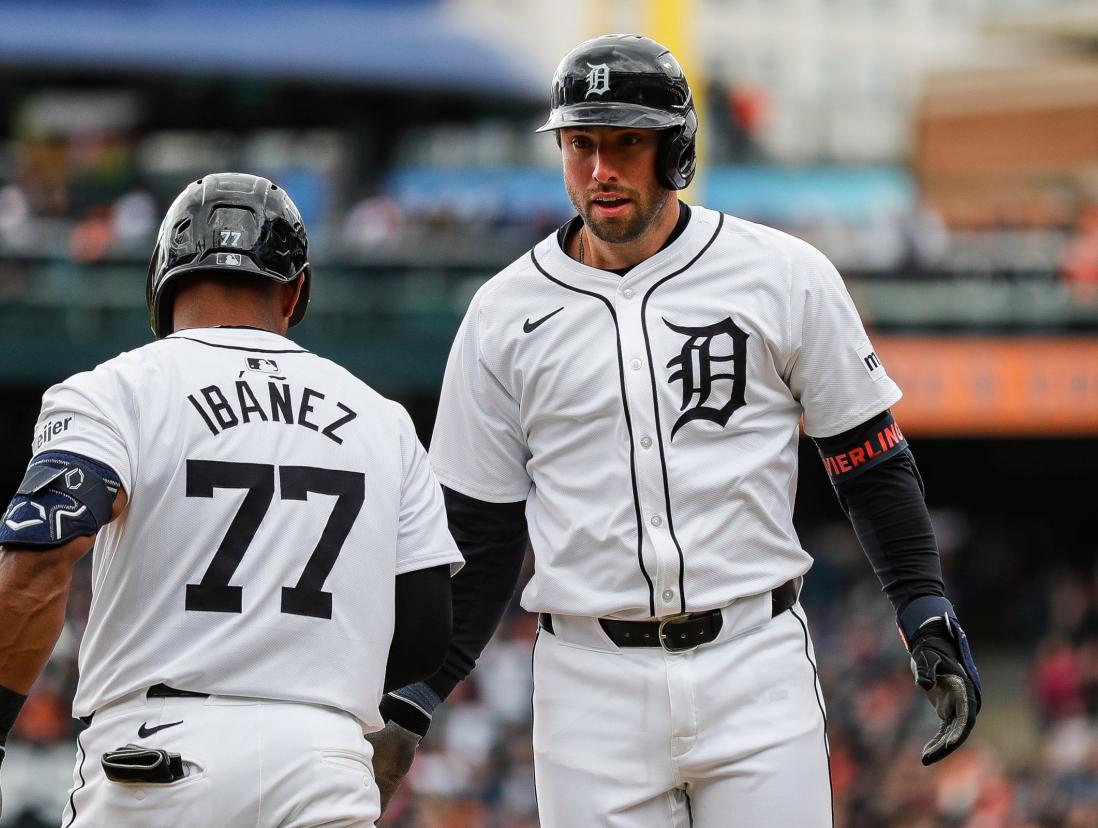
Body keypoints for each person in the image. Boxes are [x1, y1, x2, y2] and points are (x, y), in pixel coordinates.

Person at [367, 34, 982, 826]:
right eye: (580, 143)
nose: (599, 168)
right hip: (589, 684)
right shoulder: (502, 313)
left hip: (754, 664)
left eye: (625, 142)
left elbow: (867, 461)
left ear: (677, 150)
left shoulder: (781, 273)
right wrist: (418, 691)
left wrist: (923, 607)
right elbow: (481, 535)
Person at [0, 173, 462, 828]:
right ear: (295, 291)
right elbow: (429, 630)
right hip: (322, 761)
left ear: (161, 280)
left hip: (158, 754)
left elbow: (43, 553)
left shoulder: (114, 391)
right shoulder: (384, 420)